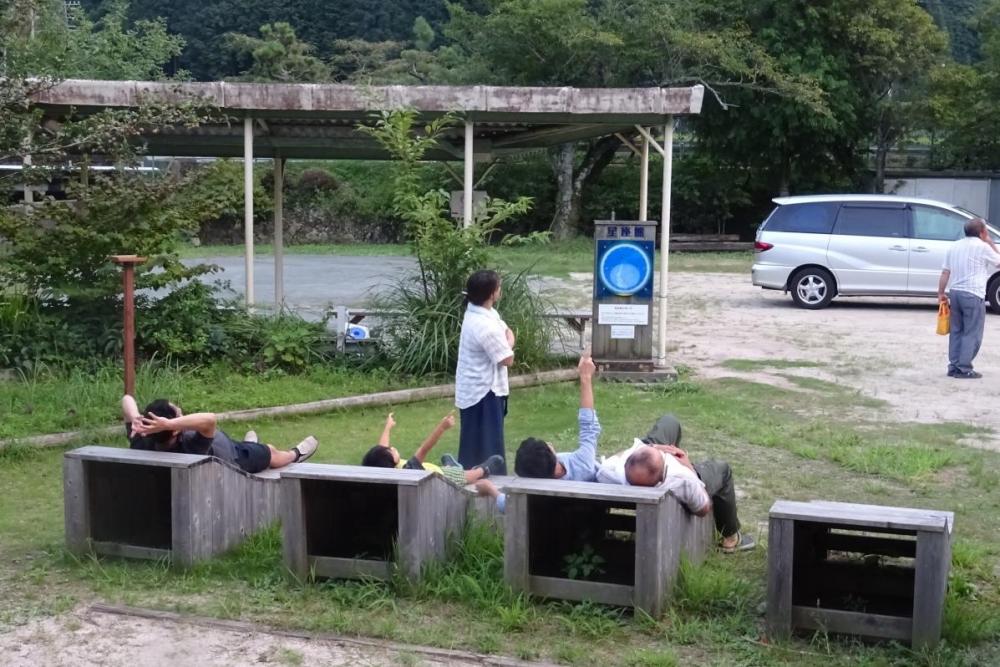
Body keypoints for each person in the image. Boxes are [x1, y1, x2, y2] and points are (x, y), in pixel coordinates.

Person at [597, 415, 755, 554]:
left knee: (669, 421)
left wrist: (654, 447)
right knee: (722, 469)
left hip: (644, 464)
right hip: (681, 471)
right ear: (660, 478)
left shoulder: (609, 471)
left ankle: (652, 448)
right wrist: (688, 467)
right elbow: (703, 507)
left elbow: (624, 455)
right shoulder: (681, 479)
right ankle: (731, 538)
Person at [476, 353, 599, 512]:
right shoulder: (583, 465)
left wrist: (491, 489)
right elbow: (588, 427)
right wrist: (585, 377)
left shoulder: (537, 496)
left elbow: (509, 506)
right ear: (551, 453)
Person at [122, 395, 317, 474]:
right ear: (174, 429)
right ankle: (295, 455)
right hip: (233, 459)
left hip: (221, 446)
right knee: (271, 452)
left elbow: (127, 398)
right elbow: (210, 420)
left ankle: (250, 443)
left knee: (245, 445)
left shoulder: (142, 439)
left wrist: (137, 417)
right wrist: (170, 422)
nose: (181, 411)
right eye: (178, 413)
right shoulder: (189, 448)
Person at [455, 270, 515, 474]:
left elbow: (507, 330)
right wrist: (509, 343)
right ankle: (487, 489)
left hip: (481, 389)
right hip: (482, 393)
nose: (501, 290)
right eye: (499, 287)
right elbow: (507, 358)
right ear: (491, 293)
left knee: (480, 443)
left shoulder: (484, 312)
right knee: (487, 448)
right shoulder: (483, 325)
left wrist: (507, 341)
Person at [362, 411, 505, 486]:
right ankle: (483, 469)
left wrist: (388, 426)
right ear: (389, 461)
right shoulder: (409, 470)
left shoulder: (384, 471)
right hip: (441, 479)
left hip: (431, 469)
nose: (392, 447)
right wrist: (442, 427)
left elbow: (381, 448)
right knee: (465, 476)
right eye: (391, 451)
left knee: (451, 469)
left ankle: (452, 465)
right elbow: (425, 448)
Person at [938, 217, 1000, 379]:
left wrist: (941, 293)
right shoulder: (983, 247)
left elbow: (945, 272)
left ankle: (953, 366)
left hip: (955, 293)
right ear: (982, 232)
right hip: (973, 294)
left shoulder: (955, 246)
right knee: (972, 332)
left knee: (957, 330)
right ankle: (964, 368)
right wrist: (991, 243)